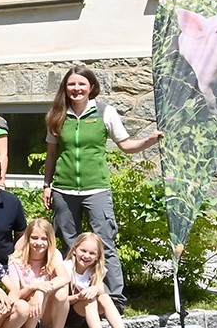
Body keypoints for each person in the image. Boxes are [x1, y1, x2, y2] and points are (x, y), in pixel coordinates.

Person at [42, 64, 161, 307]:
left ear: (92, 87)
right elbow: (51, 154)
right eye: (71, 84)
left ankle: (114, 298)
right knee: (70, 245)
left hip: (96, 189)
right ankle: (73, 296)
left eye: (81, 84)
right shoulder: (57, 115)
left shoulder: (105, 113)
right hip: (63, 190)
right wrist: (47, 185)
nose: (76, 88)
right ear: (65, 87)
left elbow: (125, 145)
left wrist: (148, 141)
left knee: (105, 243)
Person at [67, 232, 149, 328]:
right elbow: (59, 301)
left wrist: (95, 288)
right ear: (75, 250)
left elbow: (101, 290)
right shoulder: (67, 268)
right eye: (83, 251)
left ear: (98, 256)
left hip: (90, 314)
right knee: (90, 300)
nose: (86, 256)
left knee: (104, 297)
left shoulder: (96, 269)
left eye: (92, 253)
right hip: (70, 315)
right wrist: (78, 296)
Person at [7, 218, 70, 328]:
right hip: (26, 311)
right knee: (38, 290)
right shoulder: (16, 259)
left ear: (50, 241)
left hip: (46, 312)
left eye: (44, 239)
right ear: (27, 238)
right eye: (34, 238)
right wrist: (33, 287)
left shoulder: (54, 255)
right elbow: (15, 294)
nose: (39, 243)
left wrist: (41, 291)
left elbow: (64, 278)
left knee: (61, 290)